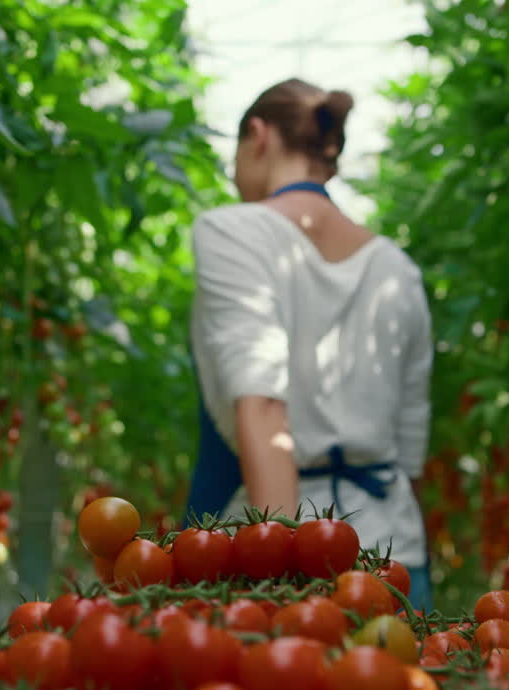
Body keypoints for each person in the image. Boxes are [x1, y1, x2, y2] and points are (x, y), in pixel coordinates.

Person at [183, 78, 435, 609]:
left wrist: (283, 578)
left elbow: (263, 405)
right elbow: (409, 449)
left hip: (281, 545)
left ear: (258, 135)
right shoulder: (399, 270)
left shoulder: (231, 233)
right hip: (393, 556)